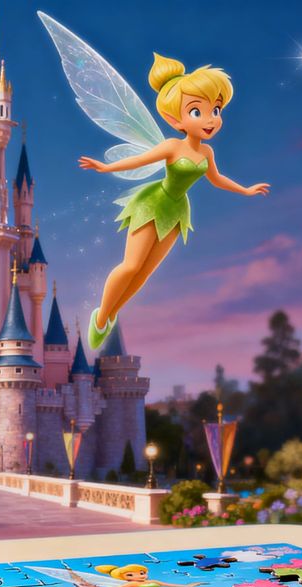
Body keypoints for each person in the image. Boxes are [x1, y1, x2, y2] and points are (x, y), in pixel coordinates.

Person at [38, 13, 269, 350]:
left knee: (143, 274)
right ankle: (102, 316)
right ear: (176, 118)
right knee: (131, 264)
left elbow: (217, 180)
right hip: (154, 203)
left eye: (216, 110)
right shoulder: (172, 146)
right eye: (198, 111)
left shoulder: (206, 155)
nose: (211, 119)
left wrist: (246, 190)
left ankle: (113, 311)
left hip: (177, 211)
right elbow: (140, 160)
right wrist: (105, 167)